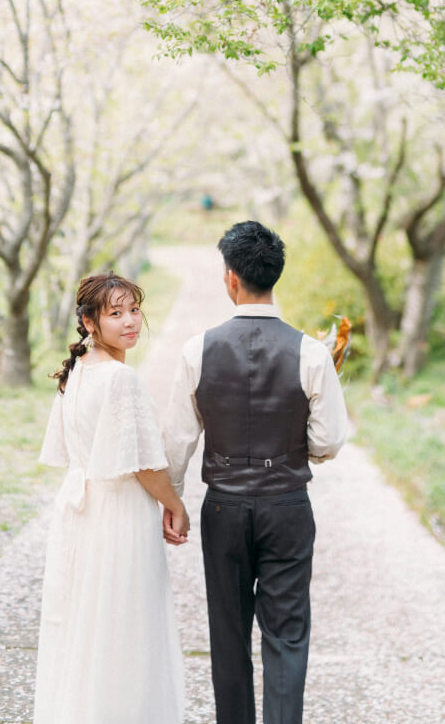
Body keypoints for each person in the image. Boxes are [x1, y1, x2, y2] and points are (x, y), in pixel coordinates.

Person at [163, 221, 349, 724]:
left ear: (231, 278)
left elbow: (177, 440)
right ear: (275, 275)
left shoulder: (196, 350)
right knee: (286, 635)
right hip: (287, 505)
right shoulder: (311, 352)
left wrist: (173, 501)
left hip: (223, 507)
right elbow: (328, 441)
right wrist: (297, 447)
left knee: (228, 636)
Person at [32, 272, 188, 724]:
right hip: (118, 513)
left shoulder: (79, 369)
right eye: (115, 313)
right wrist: (175, 504)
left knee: (85, 624)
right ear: (89, 321)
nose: (130, 321)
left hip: (81, 513)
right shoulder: (120, 378)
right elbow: (142, 464)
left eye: (134, 310)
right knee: (125, 623)